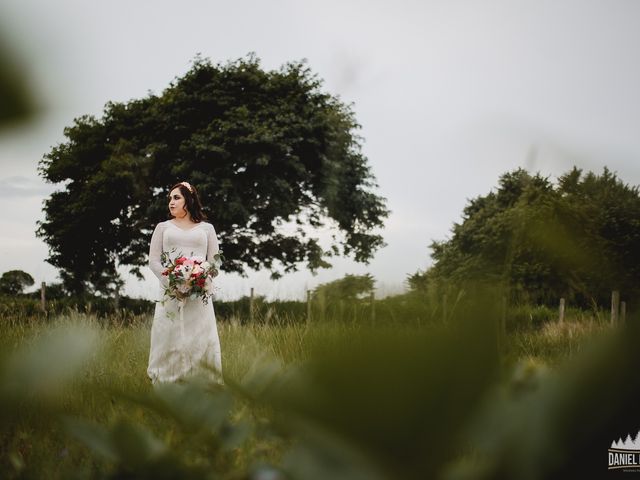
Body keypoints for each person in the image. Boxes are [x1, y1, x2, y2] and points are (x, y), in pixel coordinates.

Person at [147, 181, 223, 384]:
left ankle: (203, 383)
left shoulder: (207, 229)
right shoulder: (162, 227)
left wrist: (200, 277)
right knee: (168, 334)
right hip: (170, 293)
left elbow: (215, 261)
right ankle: (166, 382)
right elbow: (153, 260)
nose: (171, 202)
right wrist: (171, 281)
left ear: (188, 201)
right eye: (170, 199)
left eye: (176, 197)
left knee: (200, 337)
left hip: (199, 295)